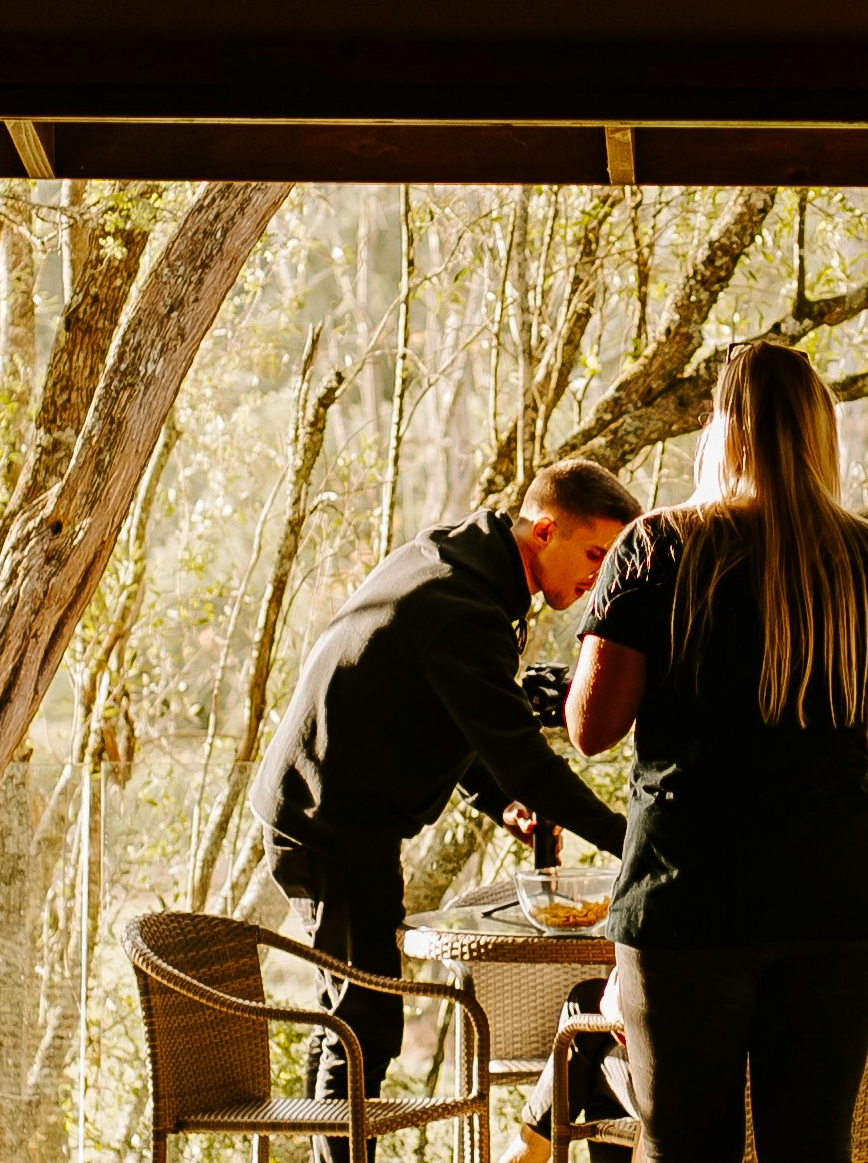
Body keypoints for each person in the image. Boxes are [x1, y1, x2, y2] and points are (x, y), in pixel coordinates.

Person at [568, 340, 868, 1163]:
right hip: (837, 899)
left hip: (692, 897)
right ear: (819, 432)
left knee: (686, 1161)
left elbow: (592, 725)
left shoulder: (659, 549)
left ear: (720, 430)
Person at [253, 462, 640, 1120]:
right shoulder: (461, 607)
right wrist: (634, 842)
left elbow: (437, 710)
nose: (598, 577)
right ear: (546, 530)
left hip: (333, 815)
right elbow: (527, 766)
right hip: (330, 824)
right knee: (362, 1027)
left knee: (348, 1020)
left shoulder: (456, 565)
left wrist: (497, 802)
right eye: (597, 554)